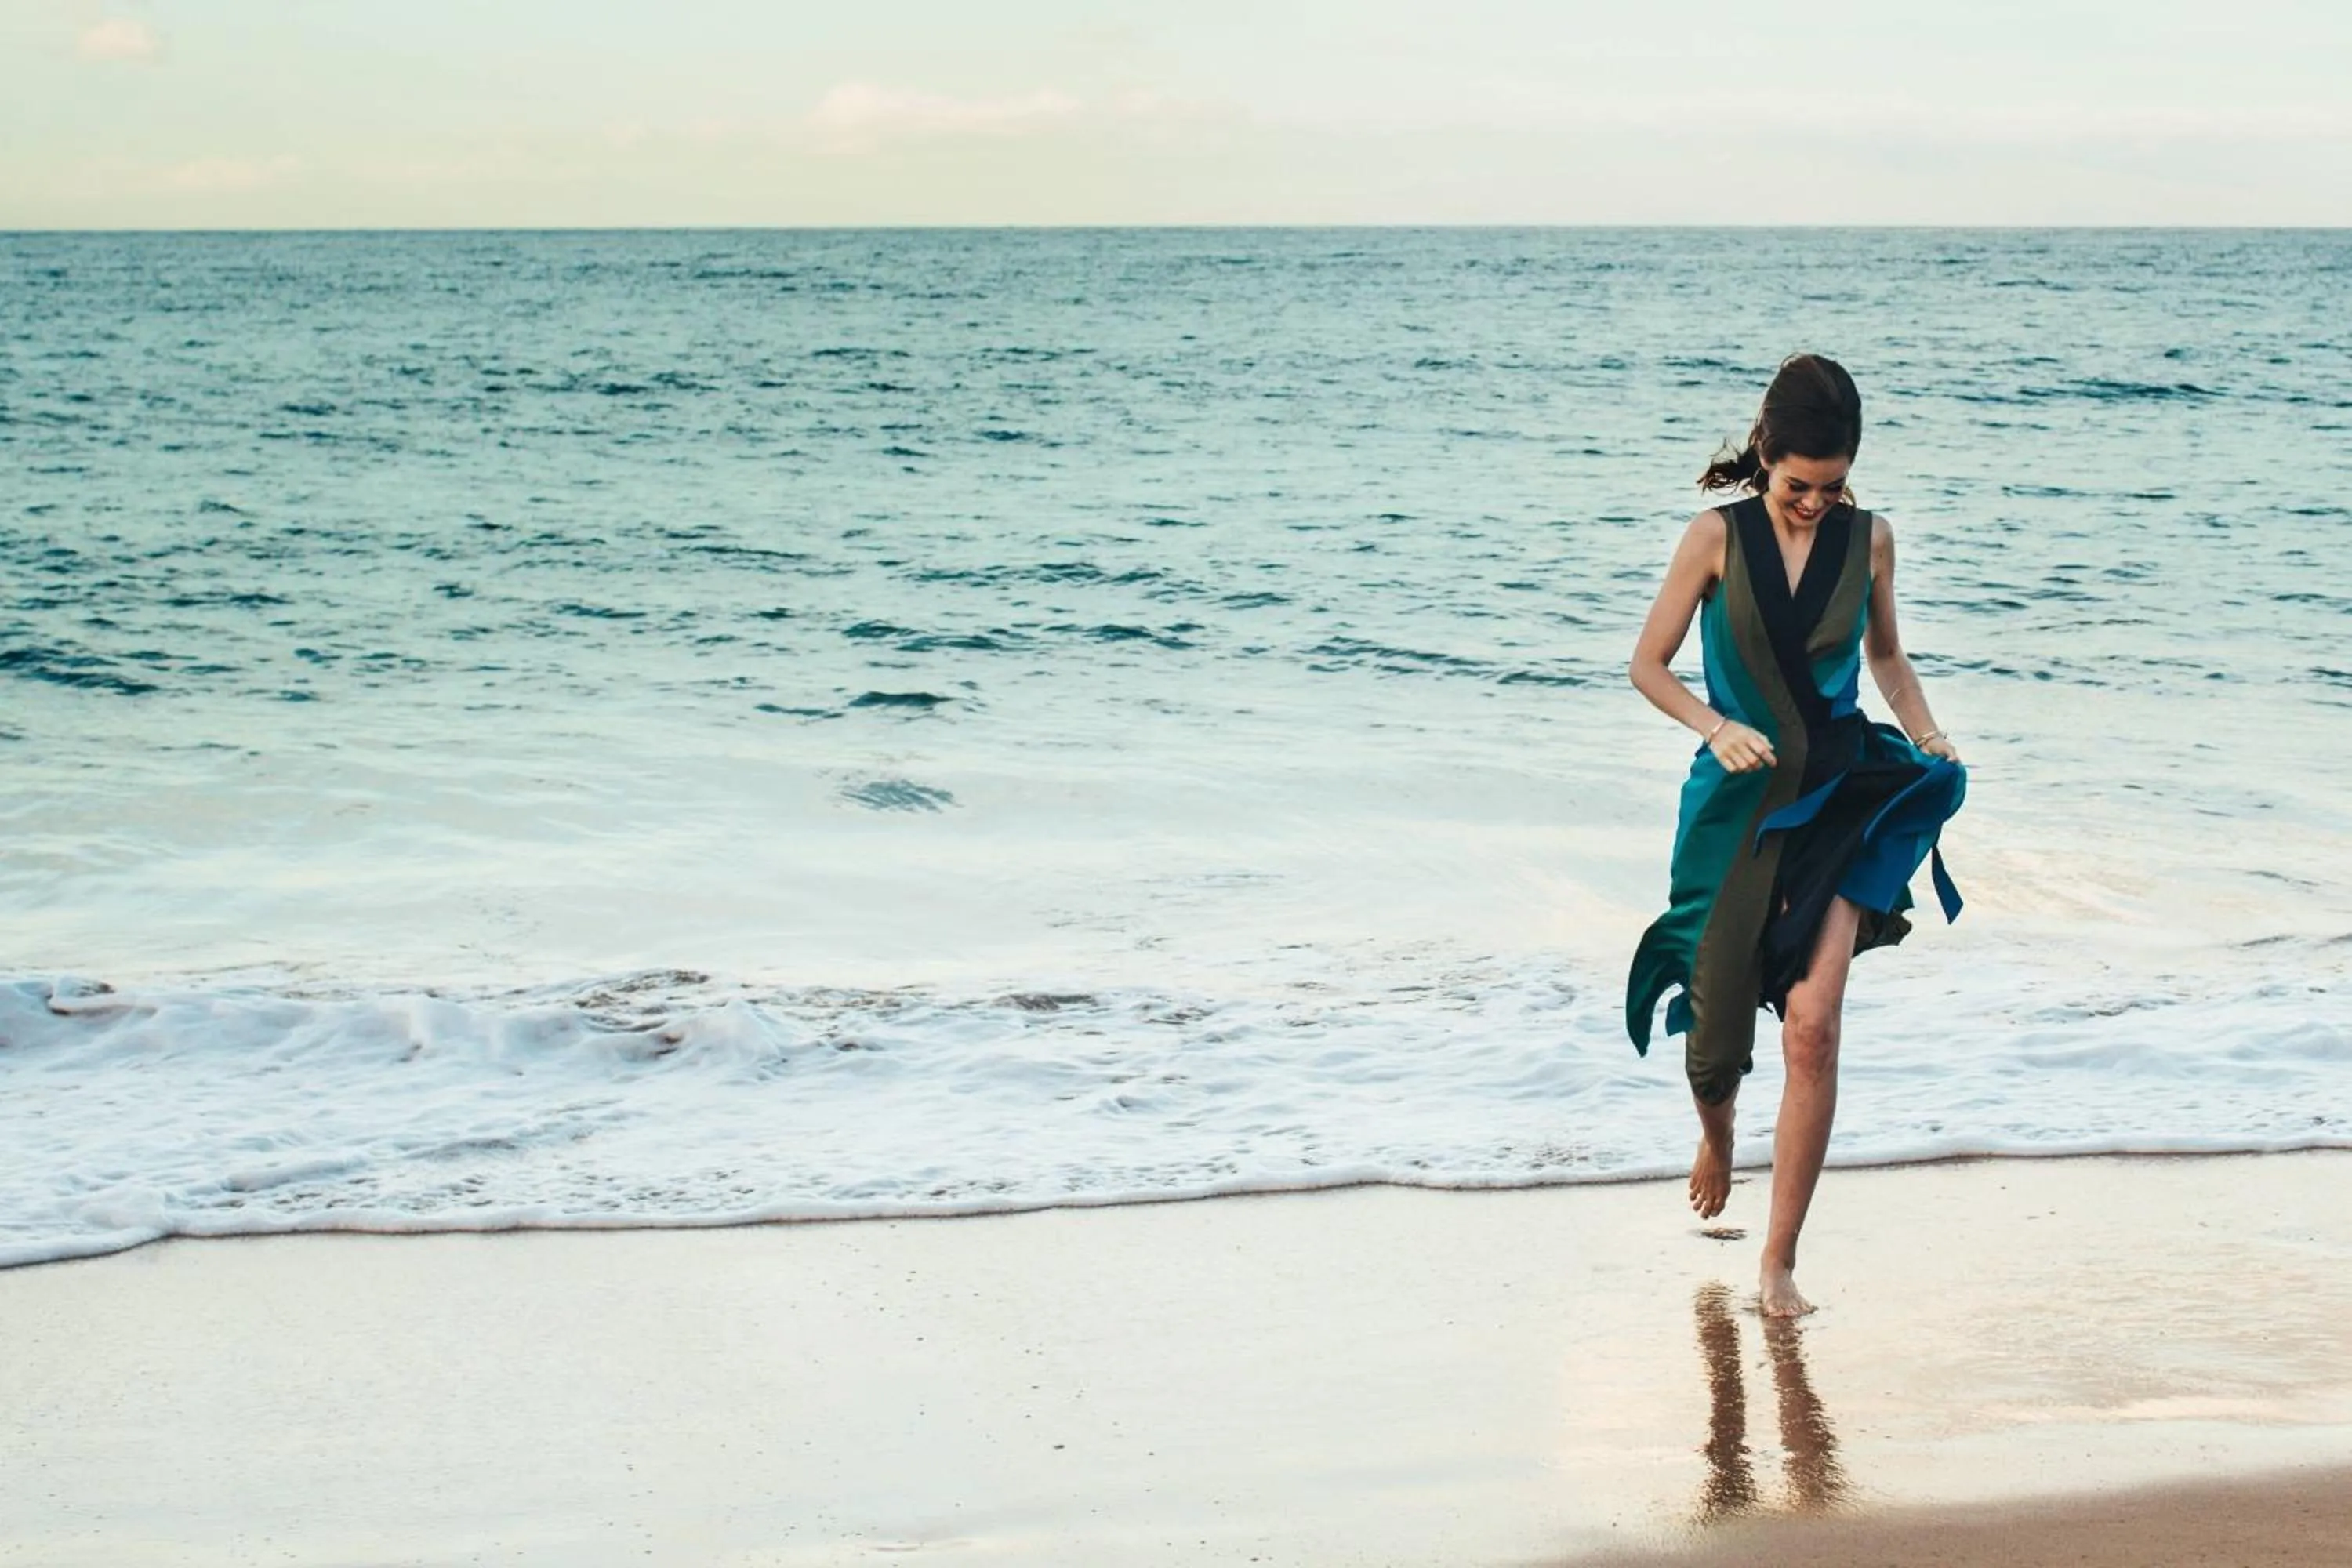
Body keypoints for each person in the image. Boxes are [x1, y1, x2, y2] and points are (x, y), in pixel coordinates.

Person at [1624, 353, 1966, 1317]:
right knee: (1713, 1037)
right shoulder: (1713, 538)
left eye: (1834, 485)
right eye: (1797, 485)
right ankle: (1717, 1131)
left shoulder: (1873, 540)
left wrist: (1930, 734)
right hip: (1734, 808)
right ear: (1764, 456)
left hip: (1844, 796)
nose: (1816, 502)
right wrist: (1713, 724)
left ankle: (1777, 1262)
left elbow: (1887, 657)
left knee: (1813, 1028)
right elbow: (1647, 665)